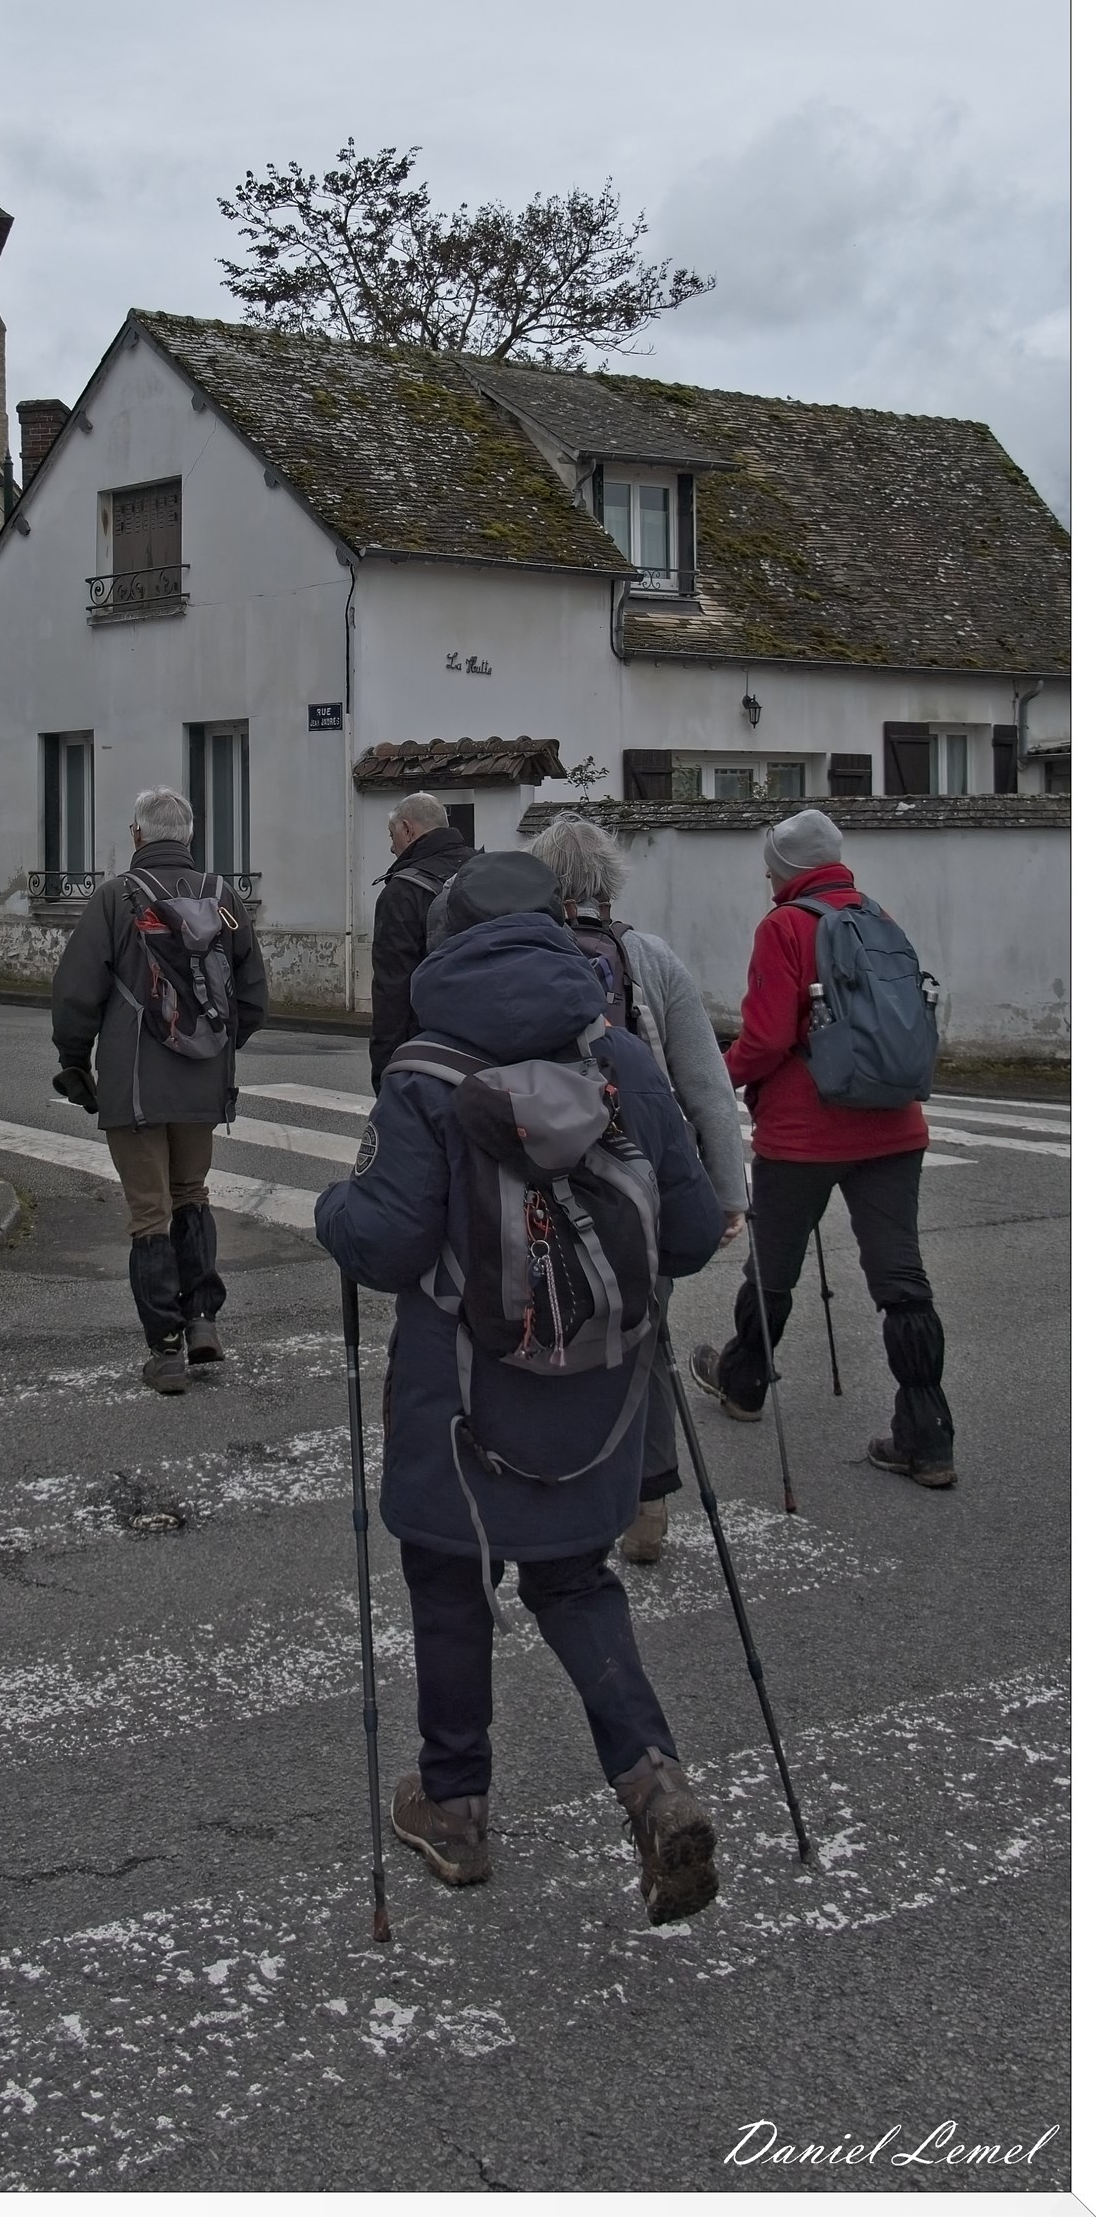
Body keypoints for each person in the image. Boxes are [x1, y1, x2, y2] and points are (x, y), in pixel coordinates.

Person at [315, 852, 727, 1920]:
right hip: (592, 1396)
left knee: (450, 1585)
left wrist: (331, 1210)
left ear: (445, 942)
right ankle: (652, 1780)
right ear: (555, 929)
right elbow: (683, 1233)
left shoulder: (420, 1073)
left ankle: (452, 1810)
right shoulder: (616, 1053)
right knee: (573, 1580)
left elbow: (383, 1242)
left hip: (458, 1394)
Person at [688, 807, 954, 1487]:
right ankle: (926, 1436)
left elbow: (769, 1038)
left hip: (804, 1131)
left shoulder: (783, 925)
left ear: (783, 869)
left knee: (772, 1269)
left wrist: (708, 1076)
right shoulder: (877, 917)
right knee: (901, 1282)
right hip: (893, 1126)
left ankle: (744, 1382)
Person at [529, 814, 749, 1566]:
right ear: (610, 881)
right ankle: (646, 1509)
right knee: (644, 1341)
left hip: (547, 1187)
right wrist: (726, 1191)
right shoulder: (648, 956)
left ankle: (561, 1499)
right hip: (642, 1189)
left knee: (553, 1334)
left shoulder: (521, 957)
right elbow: (705, 1087)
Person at [50, 789, 269, 1395]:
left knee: (150, 1211)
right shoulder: (223, 899)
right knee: (192, 1193)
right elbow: (252, 991)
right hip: (204, 1078)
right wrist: (218, 1048)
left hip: (136, 1079)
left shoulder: (115, 898)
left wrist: (75, 1060)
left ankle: (165, 1350)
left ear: (137, 835)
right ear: (190, 836)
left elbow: (76, 994)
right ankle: (203, 1321)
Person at [369, 794, 474, 1090]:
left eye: (393, 836)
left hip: (427, 1048)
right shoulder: (482, 871)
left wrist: (385, 1071)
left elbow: (393, 990)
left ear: (408, 829)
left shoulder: (402, 891)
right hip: (485, 1043)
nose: (392, 847)